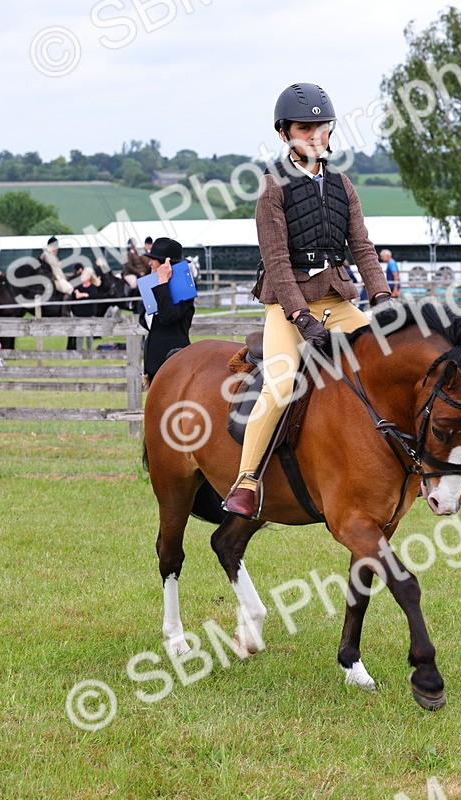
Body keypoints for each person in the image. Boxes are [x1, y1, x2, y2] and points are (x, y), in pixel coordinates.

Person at [222, 82, 393, 518]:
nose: (315, 134)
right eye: (304, 127)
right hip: (287, 306)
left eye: (322, 126)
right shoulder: (272, 188)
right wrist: (300, 316)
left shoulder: (343, 185)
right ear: (285, 134)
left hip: (338, 301)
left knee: (386, 362)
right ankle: (246, 481)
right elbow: (277, 261)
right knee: (280, 387)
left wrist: (382, 295)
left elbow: (363, 246)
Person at [139, 237, 195, 388]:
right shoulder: (154, 287)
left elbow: (166, 316)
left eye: (153, 260)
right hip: (154, 366)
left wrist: (163, 281)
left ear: (166, 263)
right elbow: (145, 320)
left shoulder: (185, 295)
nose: (150, 263)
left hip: (174, 363)